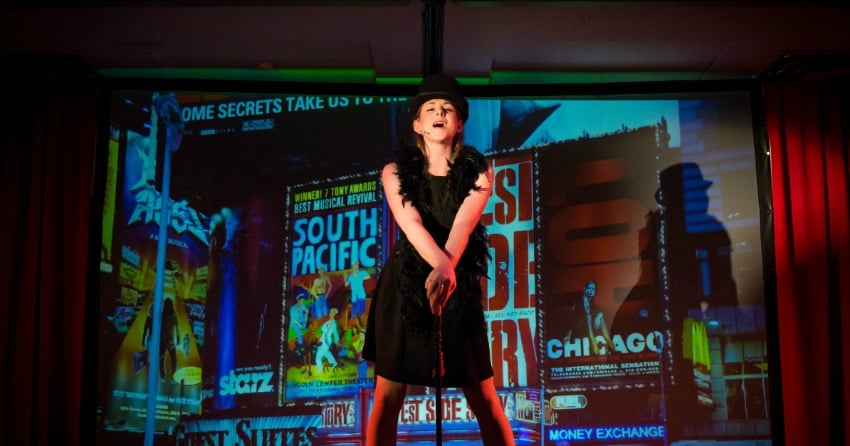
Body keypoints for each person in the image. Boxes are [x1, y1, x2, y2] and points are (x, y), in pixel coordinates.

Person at [363, 73, 515, 445]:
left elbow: (462, 227)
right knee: (389, 393)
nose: (439, 113)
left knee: (482, 394)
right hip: (405, 284)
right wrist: (440, 268)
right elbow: (410, 223)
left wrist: (447, 271)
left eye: (447, 108)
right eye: (430, 108)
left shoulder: (479, 171)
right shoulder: (394, 172)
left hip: (456, 283)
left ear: (459, 122)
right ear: (417, 123)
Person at [564, 280, 615, 355]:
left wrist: (599, 316)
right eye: (589, 288)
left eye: (593, 289)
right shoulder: (578, 302)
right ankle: (593, 342)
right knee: (589, 317)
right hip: (578, 328)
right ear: (585, 289)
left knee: (600, 317)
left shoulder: (592, 303)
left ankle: (609, 341)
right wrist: (568, 334)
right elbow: (572, 319)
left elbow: (598, 312)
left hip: (589, 325)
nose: (591, 291)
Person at [344, 261, 371, 328]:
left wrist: (362, 278)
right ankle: (356, 327)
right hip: (354, 297)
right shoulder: (351, 276)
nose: (355, 267)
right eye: (353, 266)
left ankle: (362, 326)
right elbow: (346, 284)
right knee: (354, 313)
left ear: (358, 267)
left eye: (356, 266)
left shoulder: (361, 273)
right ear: (352, 268)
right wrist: (345, 277)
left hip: (361, 295)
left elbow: (368, 276)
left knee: (361, 311)